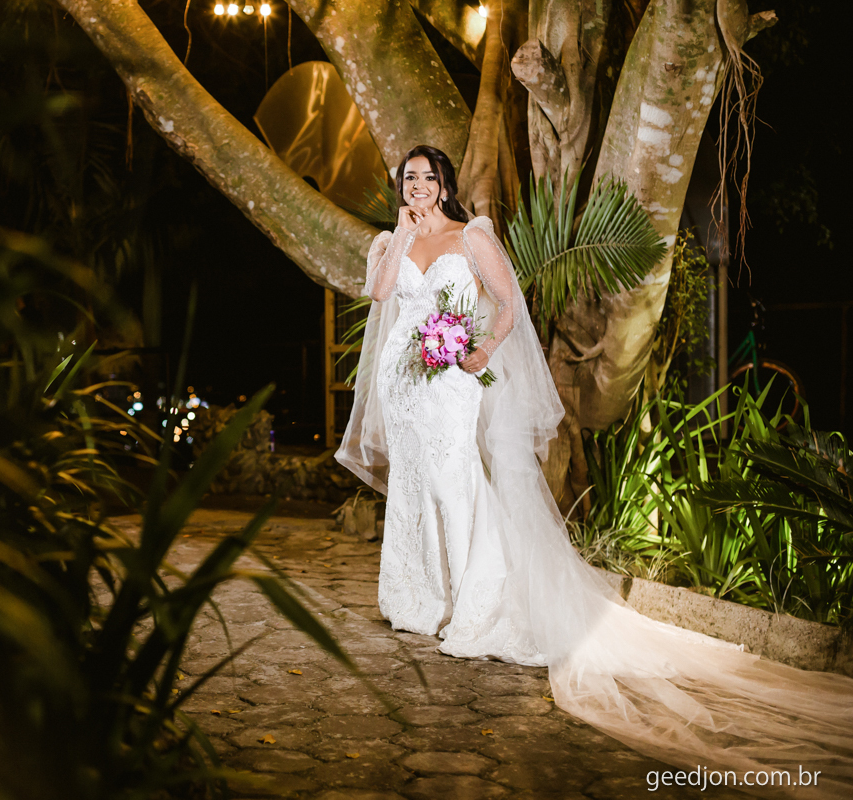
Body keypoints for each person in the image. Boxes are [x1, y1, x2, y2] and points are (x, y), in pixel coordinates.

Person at [336, 144, 853, 798]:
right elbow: (381, 295)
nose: (416, 185)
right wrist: (399, 236)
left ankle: (472, 602)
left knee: (453, 483)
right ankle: (418, 601)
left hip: (450, 382)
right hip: (403, 383)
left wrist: (482, 349)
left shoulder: (472, 236)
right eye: (407, 177)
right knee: (413, 488)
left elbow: (508, 304)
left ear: (443, 183)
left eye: (426, 177)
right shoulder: (391, 241)